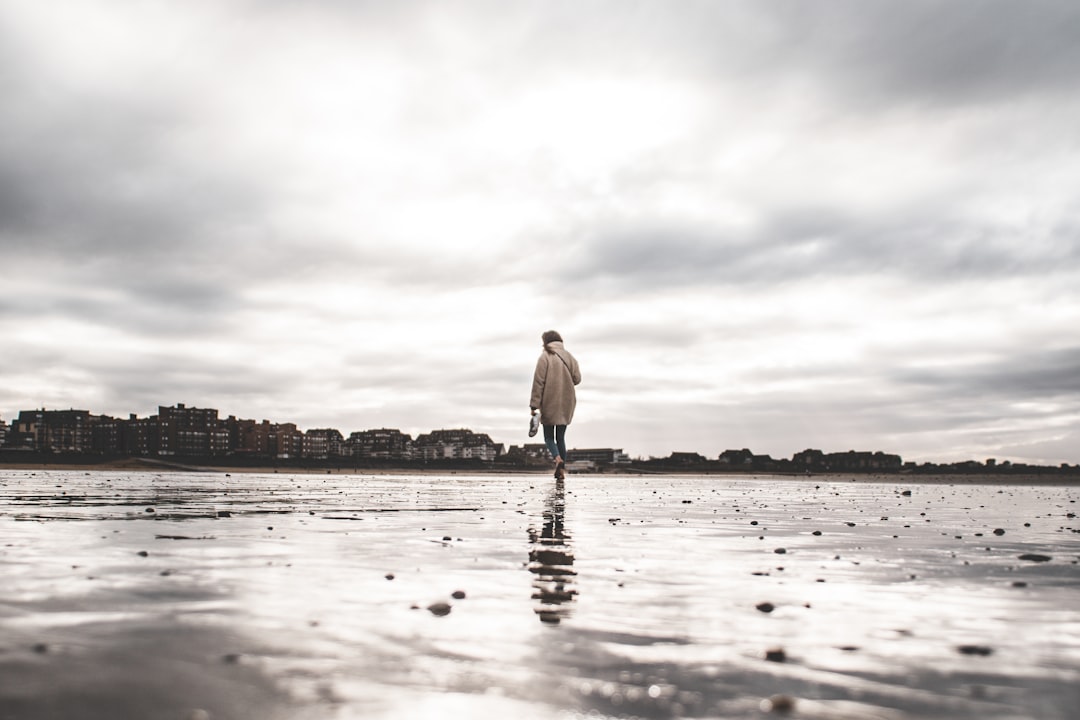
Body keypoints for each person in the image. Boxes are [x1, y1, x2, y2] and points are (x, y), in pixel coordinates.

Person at [529, 330, 581, 480]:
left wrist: (534, 405)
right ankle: (562, 471)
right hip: (566, 401)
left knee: (549, 437)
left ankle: (557, 459)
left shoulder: (544, 357)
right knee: (561, 437)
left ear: (545, 342)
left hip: (549, 401)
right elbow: (577, 379)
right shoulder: (570, 357)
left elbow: (538, 382)